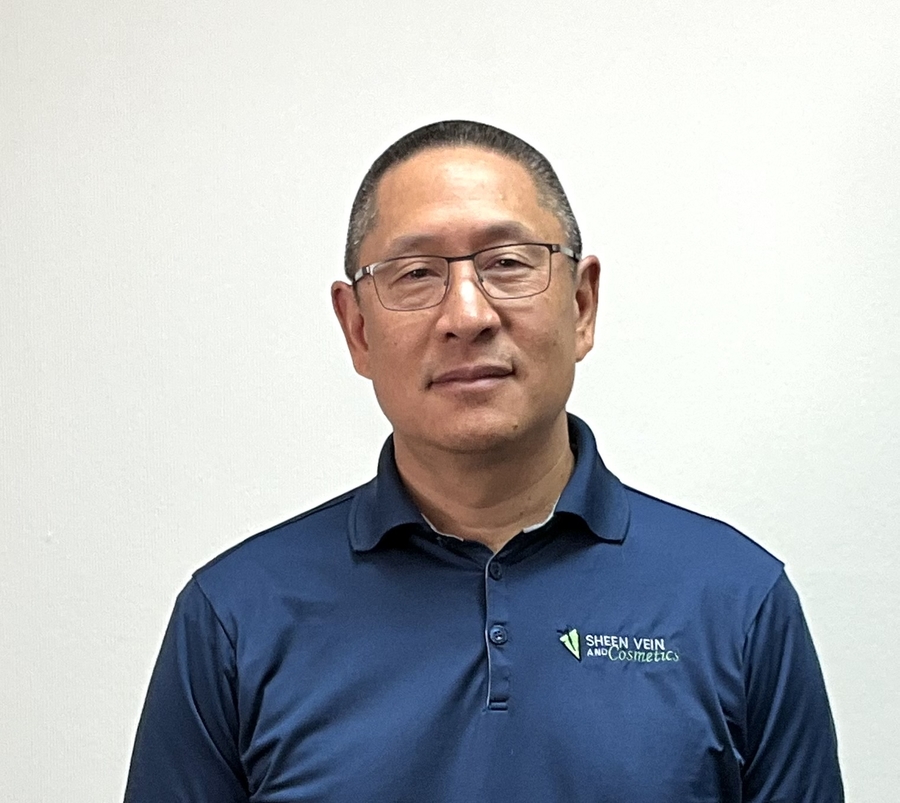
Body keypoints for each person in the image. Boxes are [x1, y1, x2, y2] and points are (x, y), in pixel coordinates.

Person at [124, 120, 843, 802]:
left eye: (507, 263)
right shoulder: (234, 619)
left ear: (582, 304)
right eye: (415, 273)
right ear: (357, 329)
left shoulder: (737, 601)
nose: (467, 315)